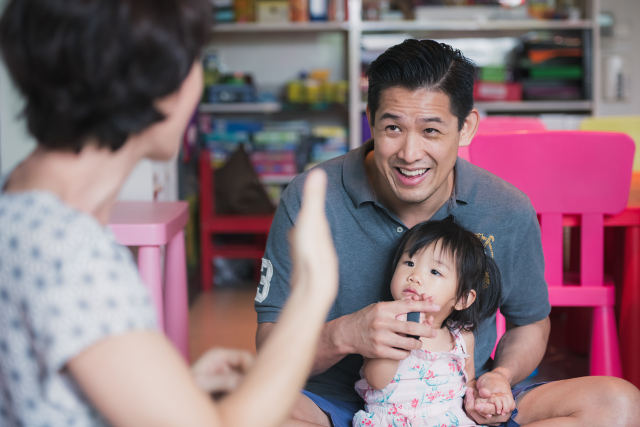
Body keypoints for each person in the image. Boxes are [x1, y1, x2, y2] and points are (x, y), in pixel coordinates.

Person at [255, 38, 640, 427]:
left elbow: (530, 323)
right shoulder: (311, 196)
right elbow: (269, 346)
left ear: (466, 127)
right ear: (370, 121)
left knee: (618, 404)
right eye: (393, 128)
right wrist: (344, 335)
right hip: (334, 403)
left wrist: (499, 378)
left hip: (461, 399)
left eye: (431, 131)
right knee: (246, 411)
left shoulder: (505, 207)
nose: (409, 152)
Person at [0, 1, 338, 426]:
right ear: (157, 83)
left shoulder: (19, 199)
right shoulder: (71, 251)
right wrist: (312, 293)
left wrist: (173, 392)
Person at [353, 216, 505, 426]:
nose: (414, 276)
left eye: (435, 271)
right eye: (409, 262)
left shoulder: (461, 338)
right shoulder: (383, 324)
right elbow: (376, 380)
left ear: (462, 299)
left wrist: (484, 400)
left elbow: (467, 383)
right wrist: (403, 334)